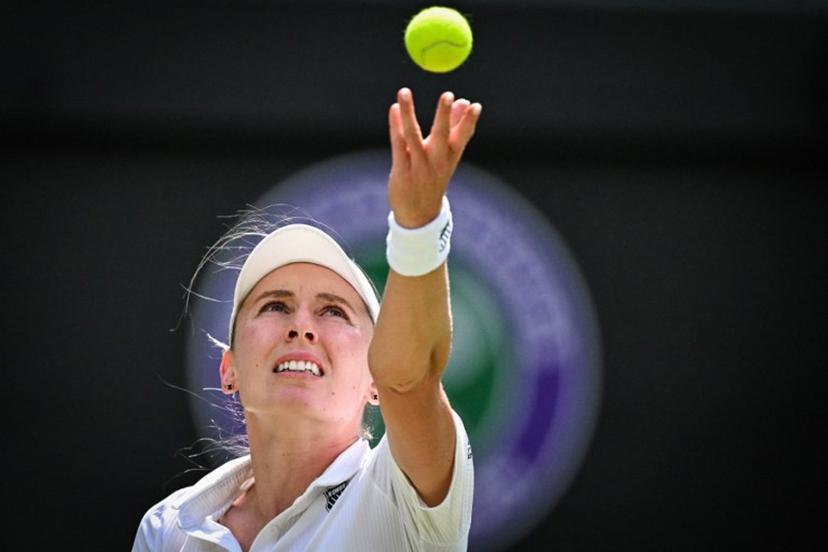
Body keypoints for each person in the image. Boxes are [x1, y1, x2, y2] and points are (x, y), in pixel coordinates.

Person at [132, 87, 482, 552]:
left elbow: (410, 378)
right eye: (275, 306)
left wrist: (417, 227)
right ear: (229, 369)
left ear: (374, 380)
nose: (301, 327)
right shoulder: (166, 529)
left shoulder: (400, 501)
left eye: (333, 311)